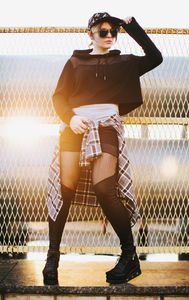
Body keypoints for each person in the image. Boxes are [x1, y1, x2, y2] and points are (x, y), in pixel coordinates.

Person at [43, 12, 163, 285]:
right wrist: (70, 118)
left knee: (104, 188)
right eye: (103, 32)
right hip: (75, 127)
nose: (109, 36)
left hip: (107, 125)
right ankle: (52, 259)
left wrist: (132, 27)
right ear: (90, 34)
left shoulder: (124, 62)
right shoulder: (75, 61)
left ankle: (129, 256)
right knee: (65, 189)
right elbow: (59, 96)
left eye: (113, 32)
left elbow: (156, 58)